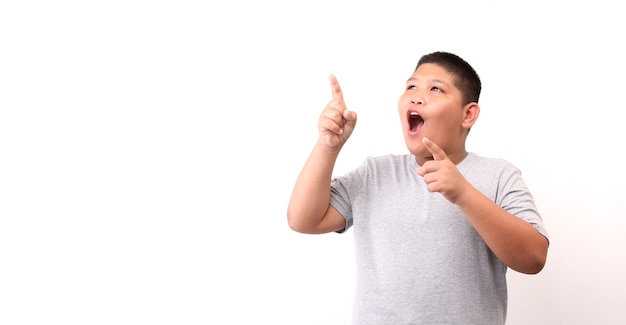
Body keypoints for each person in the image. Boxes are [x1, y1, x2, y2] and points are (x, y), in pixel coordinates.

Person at [286, 51, 549, 324]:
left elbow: (533, 258)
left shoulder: (499, 176)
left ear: (468, 114)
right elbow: (303, 220)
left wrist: (463, 194)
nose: (416, 95)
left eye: (436, 88)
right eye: (411, 86)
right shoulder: (375, 174)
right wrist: (328, 146)